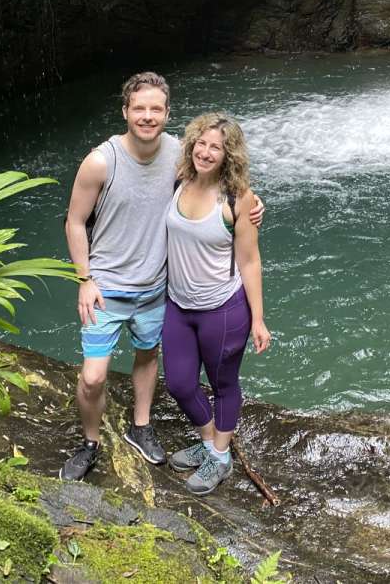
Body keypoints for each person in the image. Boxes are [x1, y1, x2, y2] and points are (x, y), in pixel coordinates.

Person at [60, 73, 262, 482]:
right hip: (107, 288)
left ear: (168, 114)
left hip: (157, 289)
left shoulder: (179, 156)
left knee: (148, 355)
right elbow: (75, 221)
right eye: (139, 108)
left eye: (156, 109)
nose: (147, 117)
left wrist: (254, 205)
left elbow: (223, 182)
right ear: (125, 112)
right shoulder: (102, 161)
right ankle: (90, 442)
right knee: (94, 375)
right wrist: (84, 278)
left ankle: (142, 426)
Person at [162, 113, 270, 495]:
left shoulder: (239, 199)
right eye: (201, 144)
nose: (206, 153)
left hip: (223, 309)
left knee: (224, 383)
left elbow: (250, 261)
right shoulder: (178, 178)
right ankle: (209, 443)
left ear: (229, 155)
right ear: (191, 143)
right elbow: (141, 143)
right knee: (178, 382)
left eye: (216, 147)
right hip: (178, 304)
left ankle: (220, 457)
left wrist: (258, 318)